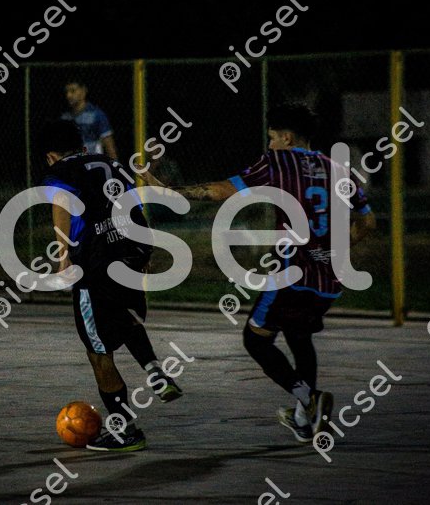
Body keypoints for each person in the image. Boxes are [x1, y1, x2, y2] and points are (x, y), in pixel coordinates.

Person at [147, 103, 376, 443]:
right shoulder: (338, 169)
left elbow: (220, 191)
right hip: (329, 279)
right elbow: (368, 221)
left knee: (255, 340)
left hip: (292, 275)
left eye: (272, 138)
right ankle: (304, 420)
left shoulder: (278, 162)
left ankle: (309, 399)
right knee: (299, 337)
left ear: (286, 138)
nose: (269, 144)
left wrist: (167, 192)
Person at [38, 119, 181, 452]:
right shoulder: (111, 162)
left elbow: (61, 205)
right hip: (131, 250)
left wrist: (63, 258)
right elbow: (133, 202)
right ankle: (155, 371)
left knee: (98, 351)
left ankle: (125, 430)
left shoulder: (60, 171)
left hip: (94, 261)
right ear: (83, 146)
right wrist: (143, 246)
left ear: (50, 156)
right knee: (125, 315)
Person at [61, 81, 118, 160]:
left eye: (73, 91)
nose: (68, 95)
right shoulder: (64, 118)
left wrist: (115, 164)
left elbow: (109, 146)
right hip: (72, 163)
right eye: (66, 92)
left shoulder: (96, 114)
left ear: (83, 91)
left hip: (93, 162)